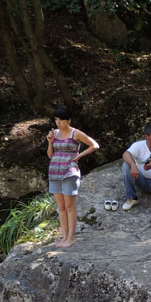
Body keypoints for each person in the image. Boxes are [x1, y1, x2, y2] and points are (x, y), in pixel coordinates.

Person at [47, 105, 99, 248]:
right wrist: (50, 142)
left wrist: (79, 156)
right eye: (57, 119)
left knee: (69, 205)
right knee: (61, 206)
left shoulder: (75, 133)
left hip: (69, 171)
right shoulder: (54, 133)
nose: (58, 122)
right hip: (54, 172)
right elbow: (50, 155)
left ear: (68, 120)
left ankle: (71, 237)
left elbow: (94, 145)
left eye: (61, 119)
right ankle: (64, 236)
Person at [121, 123, 151, 210]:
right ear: (146, 136)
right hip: (141, 181)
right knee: (126, 165)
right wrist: (133, 165)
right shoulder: (139, 145)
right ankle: (132, 198)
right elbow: (126, 154)